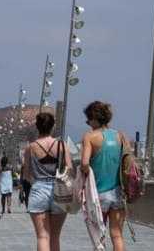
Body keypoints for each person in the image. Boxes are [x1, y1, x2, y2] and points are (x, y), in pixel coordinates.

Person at [80, 101, 127, 251]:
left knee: (98, 237)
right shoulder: (120, 136)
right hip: (118, 193)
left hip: (98, 195)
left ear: (95, 118)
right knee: (117, 235)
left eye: (88, 119)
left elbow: (85, 164)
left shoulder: (90, 137)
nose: (88, 123)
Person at [22, 113, 72, 251]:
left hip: (38, 189)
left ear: (37, 127)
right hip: (59, 190)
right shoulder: (62, 145)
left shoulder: (30, 148)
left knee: (43, 236)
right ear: (53, 126)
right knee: (55, 237)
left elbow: (26, 174)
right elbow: (69, 168)